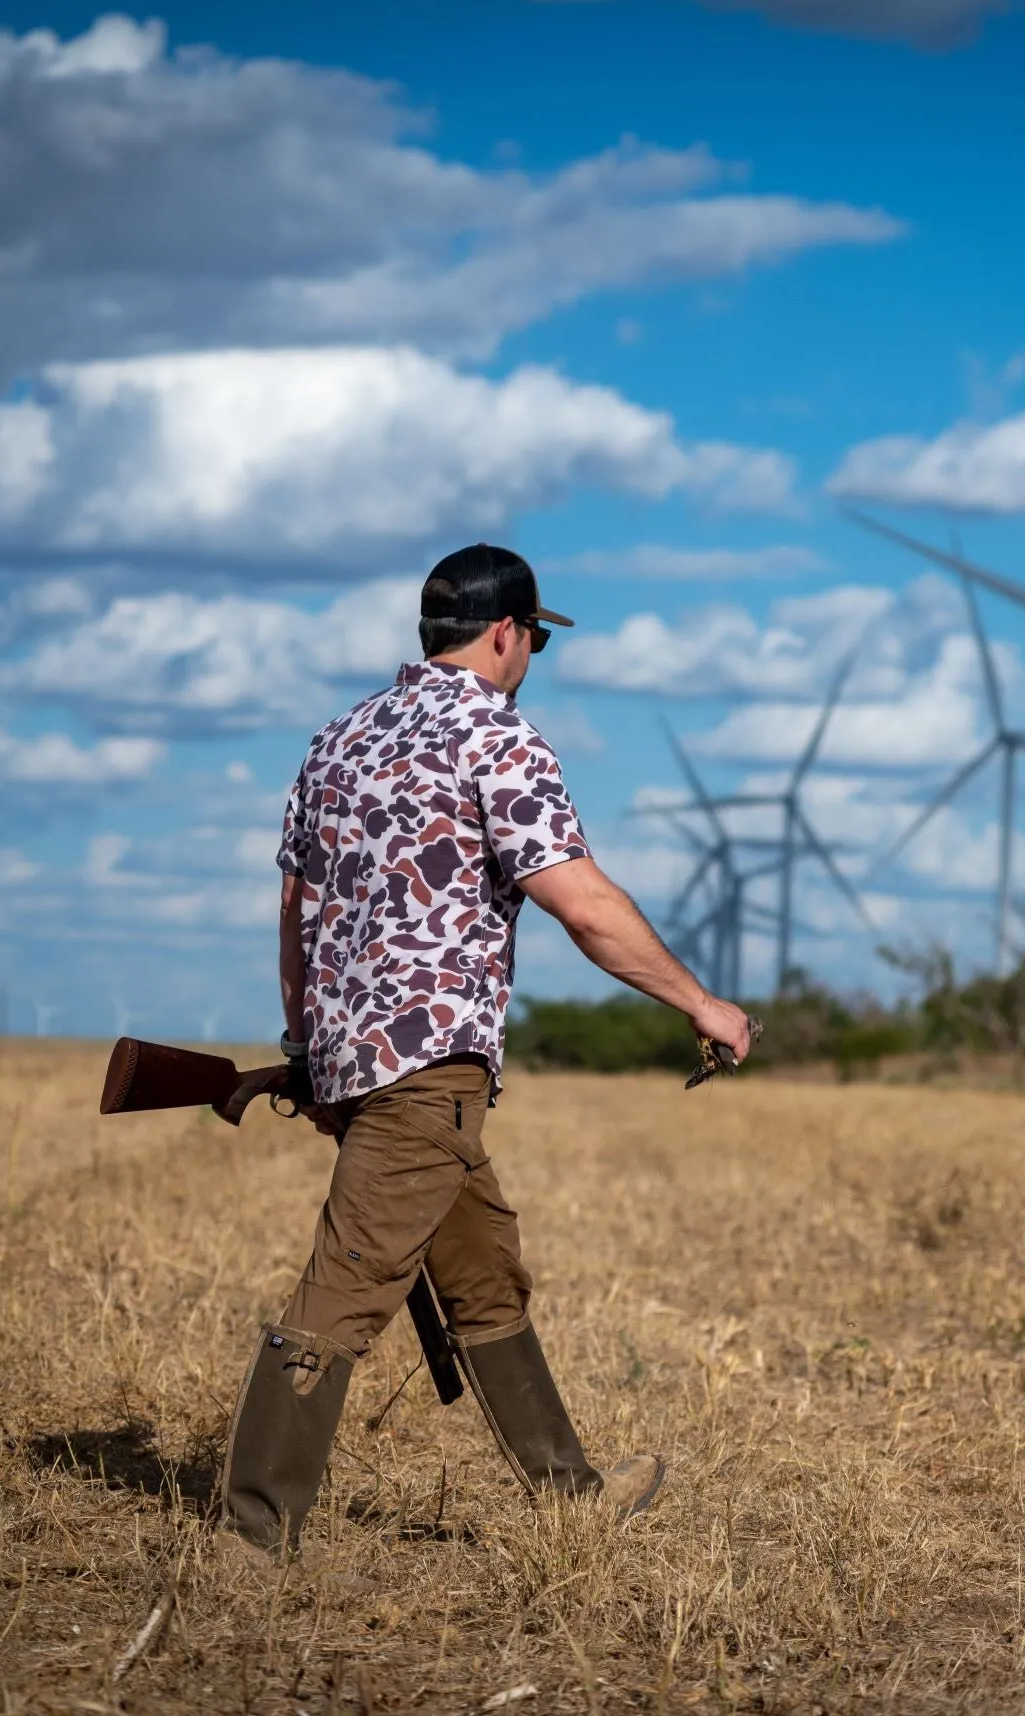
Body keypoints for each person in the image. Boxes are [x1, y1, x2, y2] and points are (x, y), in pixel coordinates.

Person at [220, 542, 756, 1555]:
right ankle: (250, 1537)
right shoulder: (496, 738)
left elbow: (295, 909)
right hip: (431, 1068)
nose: (528, 663)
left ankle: (568, 1498)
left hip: (353, 1059)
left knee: (483, 1281)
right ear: (507, 633)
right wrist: (701, 1002)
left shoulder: (336, 742)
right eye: (532, 645)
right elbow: (584, 906)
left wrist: (307, 1042)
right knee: (338, 1295)